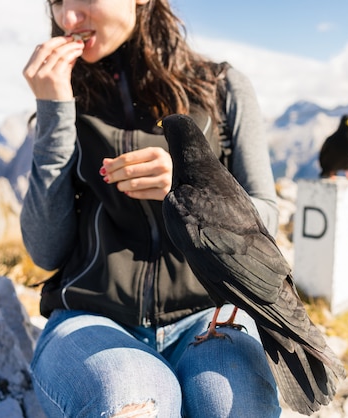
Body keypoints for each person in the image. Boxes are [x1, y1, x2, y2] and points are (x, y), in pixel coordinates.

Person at [21, 0, 281, 417]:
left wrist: (195, 193)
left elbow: (267, 215)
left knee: (236, 405)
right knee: (132, 399)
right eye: (56, 1)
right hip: (93, 319)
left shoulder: (222, 87)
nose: (67, 19)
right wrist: (54, 111)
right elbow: (45, 250)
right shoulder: (65, 97)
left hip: (211, 311)